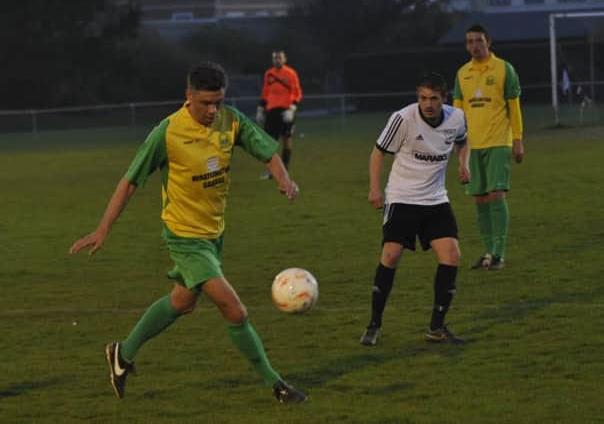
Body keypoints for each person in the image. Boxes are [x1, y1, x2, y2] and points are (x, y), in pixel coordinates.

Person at [69, 62, 307, 403]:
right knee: (235, 310)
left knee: (182, 301)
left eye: (218, 102)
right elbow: (130, 182)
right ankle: (277, 384)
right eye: (205, 103)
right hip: (184, 237)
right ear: (188, 97)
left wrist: (285, 180)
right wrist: (102, 228)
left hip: (213, 233)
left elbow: (268, 151)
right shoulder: (166, 133)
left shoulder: (232, 119)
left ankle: (122, 353)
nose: (212, 111)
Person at [359, 72, 470, 347]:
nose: (428, 104)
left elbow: (463, 140)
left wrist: (463, 163)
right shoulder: (403, 118)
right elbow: (377, 152)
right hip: (402, 197)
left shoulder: (456, 117)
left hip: (435, 199)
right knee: (391, 254)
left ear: (444, 98)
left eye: (433, 98)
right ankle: (374, 324)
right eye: (423, 98)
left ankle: (437, 327)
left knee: (452, 254)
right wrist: (375, 188)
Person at [453, 24, 524, 271]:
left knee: (496, 195)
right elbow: (457, 114)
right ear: (466, 45)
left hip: (498, 142)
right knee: (480, 200)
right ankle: (487, 253)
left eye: (478, 41)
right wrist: (457, 148)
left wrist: (517, 139)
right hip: (472, 146)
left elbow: (514, 106)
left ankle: (499, 254)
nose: (474, 45)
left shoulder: (505, 69)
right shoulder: (462, 73)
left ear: (488, 42)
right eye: (470, 41)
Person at [256, 50, 303, 179]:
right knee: (269, 142)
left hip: (286, 111)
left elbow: (298, 92)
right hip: (271, 111)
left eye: (279, 58)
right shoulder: (269, 74)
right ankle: (272, 171)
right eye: (275, 58)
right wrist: (260, 109)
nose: (277, 60)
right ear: (273, 60)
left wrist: (292, 108)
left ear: (284, 59)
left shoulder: (290, 73)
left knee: (287, 139)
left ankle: (285, 170)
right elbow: (265, 92)